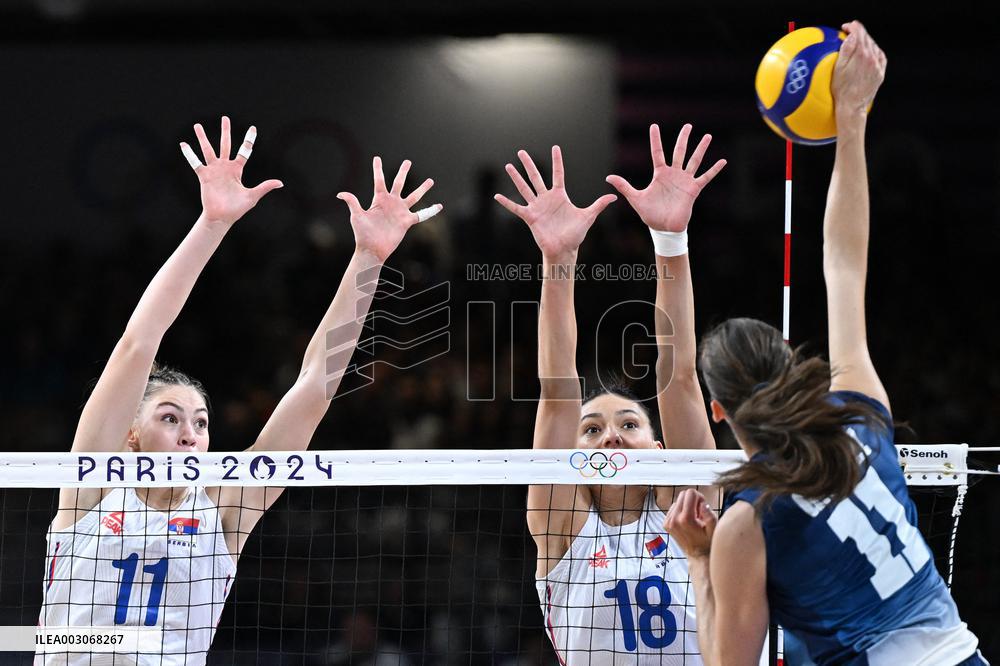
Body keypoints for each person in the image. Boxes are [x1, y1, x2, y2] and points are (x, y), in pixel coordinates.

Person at [37, 117, 442, 665]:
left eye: (201, 423)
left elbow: (315, 386)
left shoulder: (223, 509)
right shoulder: (91, 486)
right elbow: (139, 343)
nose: (190, 433)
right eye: (170, 418)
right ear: (130, 436)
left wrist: (368, 260)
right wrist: (211, 224)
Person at [663, 22, 987, 666]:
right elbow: (843, 262)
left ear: (719, 411)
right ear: (788, 365)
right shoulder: (859, 413)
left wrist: (699, 562)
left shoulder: (744, 524)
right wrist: (854, 115)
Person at [494, 126, 724, 664]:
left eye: (629, 424)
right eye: (592, 430)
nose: (611, 436)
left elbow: (680, 380)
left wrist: (671, 242)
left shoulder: (689, 513)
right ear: (572, 463)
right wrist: (559, 261)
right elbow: (556, 397)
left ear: (662, 455)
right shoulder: (562, 527)